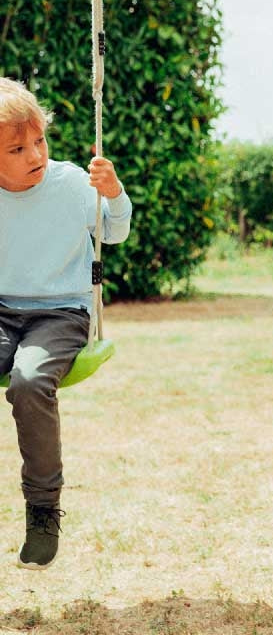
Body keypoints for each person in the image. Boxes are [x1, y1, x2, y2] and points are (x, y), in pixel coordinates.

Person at [0, 77, 132, 570]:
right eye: (16, 148)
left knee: (29, 380)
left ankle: (42, 508)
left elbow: (114, 231)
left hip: (61, 312)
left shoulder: (72, 183)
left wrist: (113, 193)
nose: (34, 154)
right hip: (2, 310)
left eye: (39, 140)